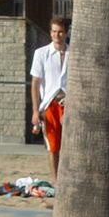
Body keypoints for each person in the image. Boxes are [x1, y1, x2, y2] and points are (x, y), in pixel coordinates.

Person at [30, 16, 69, 189]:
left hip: (69, 102)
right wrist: (35, 111)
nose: (56, 35)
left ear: (66, 33)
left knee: (69, 143)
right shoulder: (41, 53)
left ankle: (67, 178)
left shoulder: (73, 53)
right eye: (54, 31)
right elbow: (35, 83)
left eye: (60, 32)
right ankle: (55, 181)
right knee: (53, 144)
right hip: (50, 104)